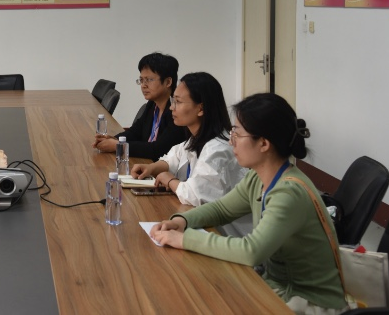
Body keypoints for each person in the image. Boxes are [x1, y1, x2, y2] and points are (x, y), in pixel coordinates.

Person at [150, 93, 346, 314]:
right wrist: (181, 221)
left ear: (263, 143)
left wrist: (184, 239)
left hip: (309, 302)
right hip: (275, 286)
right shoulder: (258, 177)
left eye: (237, 133)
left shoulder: (289, 192)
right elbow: (222, 209)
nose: (231, 141)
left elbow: (252, 251)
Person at [130, 72, 247, 207]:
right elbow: (174, 157)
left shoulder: (218, 148)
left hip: (219, 221)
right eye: (173, 101)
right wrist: (151, 168)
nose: (171, 107)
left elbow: (198, 196)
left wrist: (170, 181)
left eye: (178, 102)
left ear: (201, 108)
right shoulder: (197, 138)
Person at [93, 52, 185, 161]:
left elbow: (158, 150)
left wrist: (118, 146)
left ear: (168, 82)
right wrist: (113, 139)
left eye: (149, 80)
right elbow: (135, 132)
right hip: (146, 162)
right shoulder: (152, 105)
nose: (143, 85)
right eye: (141, 80)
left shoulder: (177, 112)